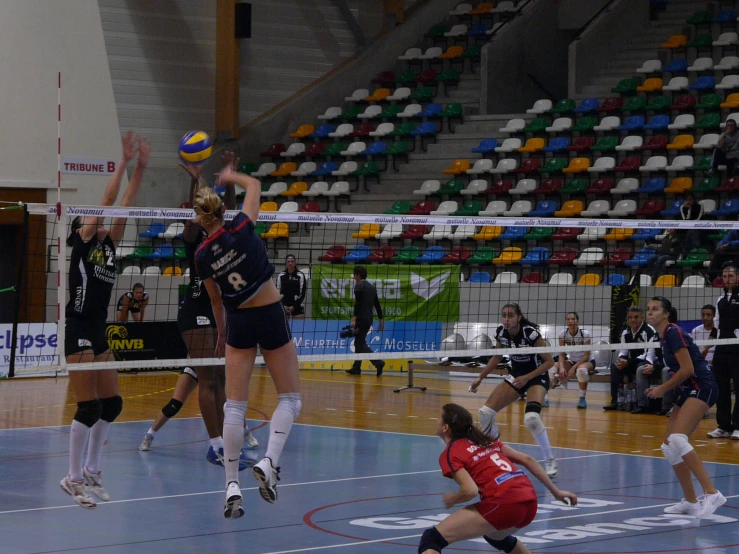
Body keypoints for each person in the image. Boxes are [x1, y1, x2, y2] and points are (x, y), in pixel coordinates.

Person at [194, 162, 301, 518]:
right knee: (290, 398)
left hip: (237, 321)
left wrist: (222, 331)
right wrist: (229, 176)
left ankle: (230, 484)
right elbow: (255, 185)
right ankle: (269, 462)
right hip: (270, 314)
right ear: (224, 210)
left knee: (235, 407)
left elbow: (214, 299)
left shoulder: (202, 256)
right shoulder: (241, 226)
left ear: (199, 218)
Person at [138, 156, 258, 462]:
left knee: (219, 381)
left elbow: (225, 209)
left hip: (219, 311)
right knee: (207, 380)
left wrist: (228, 181)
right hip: (196, 310)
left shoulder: (223, 233)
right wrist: (195, 181)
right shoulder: (194, 239)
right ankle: (216, 444)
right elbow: (195, 217)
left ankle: (223, 445)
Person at [61, 132, 148, 508]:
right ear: (81, 227)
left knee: (111, 403)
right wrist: (123, 162)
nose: (97, 220)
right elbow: (110, 199)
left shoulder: (109, 245)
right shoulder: (83, 243)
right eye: (89, 220)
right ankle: (73, 477)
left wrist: (141, 169)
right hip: (78, 327)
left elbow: (124, 204)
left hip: (99, 331)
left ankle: (94, 471)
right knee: (89, 407)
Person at [417, 403, 577, 554]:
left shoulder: (451, 453)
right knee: (495, 536)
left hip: (504, 503)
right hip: (529, 502)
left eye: (439, 417)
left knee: (432, 538)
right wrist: (556, 492)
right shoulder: (485, 441)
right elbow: (527, 459)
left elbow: (470, 491)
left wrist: (454, 498)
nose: (436, 420)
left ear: (446, 428)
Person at [645, 297, 726, 518]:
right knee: (668, 445)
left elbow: (688, 369)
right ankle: (691, 501)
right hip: (690, 389)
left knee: (678, 438)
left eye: (655, 309)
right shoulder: (662, 336)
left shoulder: (672, 332)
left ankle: (712, 493)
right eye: (648, 309)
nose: (650, 312)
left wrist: (662, 389)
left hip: (703, 386)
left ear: (666, 314)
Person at [469, 303, 558, 477]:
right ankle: (496, 452)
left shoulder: (530, 333)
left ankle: (550, 459)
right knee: (485, 413)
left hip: (536, 376)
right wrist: (480, 378)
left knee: (532, 418)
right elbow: (497, 357)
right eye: (504, 315)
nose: (506, 319)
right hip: (516, 376)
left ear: (519, 317)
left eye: (510, 315)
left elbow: (550, 362)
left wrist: (527, 377)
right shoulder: (501, 333)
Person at [603, 306, 659, 413]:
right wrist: (621, 361)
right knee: (615, 367)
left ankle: (643, 405)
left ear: (642, 318)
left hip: (647, 361)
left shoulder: (649, 331)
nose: (633, 320)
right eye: (630, 317)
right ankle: (615, 402)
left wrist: (628, 362)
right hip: (630, 362)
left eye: (636, 317)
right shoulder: (626, 332)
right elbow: (623, 351)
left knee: (640, 368)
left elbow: (647, 354)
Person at [707, 265, 739, 439]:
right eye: (725, 276)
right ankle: (724, 426)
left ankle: (738, 426)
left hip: (738, 349)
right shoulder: (720, 300)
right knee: (721, 388)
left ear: (738, 277)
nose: (727, 279)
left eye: (731, 276)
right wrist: (708, 347)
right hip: (722, 349)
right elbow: (717, 325)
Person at [346, 265, 385, 376]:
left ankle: (378, 362)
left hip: (361, 319)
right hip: (369, 319)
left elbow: (358, 304)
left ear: (358, 275)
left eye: (354, 275)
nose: (354, 278)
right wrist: (381, 319)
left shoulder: (359, 286)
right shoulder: (371, 287)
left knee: (360, 343)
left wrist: (354, 318)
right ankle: (356, 367)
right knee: (359, 342)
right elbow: (377, 304)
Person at [555, 312, 594, 409]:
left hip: (587, 361)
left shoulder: (584, 334)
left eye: (573, 319)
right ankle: (546, 398)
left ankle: (582, 398)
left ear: (578, 321)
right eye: (568, 319)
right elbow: (562, 353)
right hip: (572, 360)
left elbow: (586, 355)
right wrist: (561, 368)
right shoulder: (563, 334)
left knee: (581, 370)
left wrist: (573, 368)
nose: (570, 321)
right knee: (552, 368)